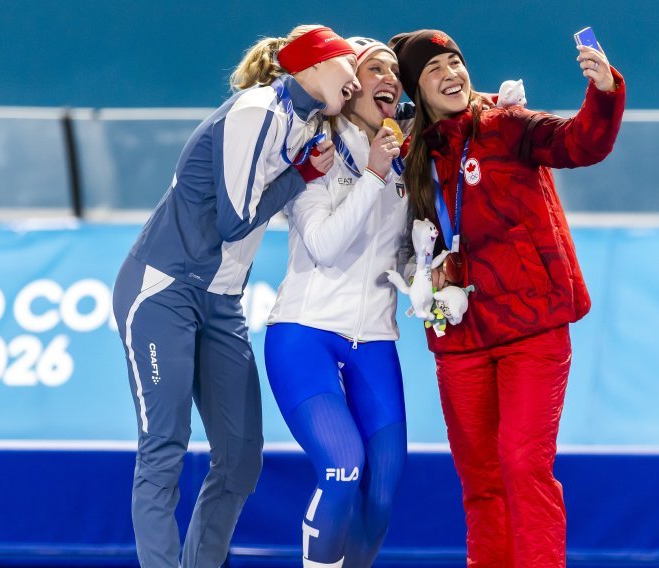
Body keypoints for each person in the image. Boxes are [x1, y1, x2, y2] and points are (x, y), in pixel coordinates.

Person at [111, 25, 360, 568]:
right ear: (316, 63)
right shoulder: (257, 111)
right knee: (164, 446)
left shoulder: (308, 121)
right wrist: (298, 176)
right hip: (164, 289)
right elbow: (234, 220)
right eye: (351, 64)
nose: (358, 80)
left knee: (242, 457)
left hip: (222, 301)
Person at [390, 29, 626, 567]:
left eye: (455, 61)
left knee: (523, 464)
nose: (451, 74)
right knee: (481, 479)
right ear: (417, 90)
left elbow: (579, 143)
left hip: (531, 327)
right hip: (460, 336)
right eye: (434, 69)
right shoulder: (409, 153)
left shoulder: (506, 124)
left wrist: (603, 92)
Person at [264, 37, 409, 568]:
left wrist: (426, 273)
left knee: (383, 491)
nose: (390, 79)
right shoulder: (315, 148)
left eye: (395, 71)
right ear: (349, 87)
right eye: (376, 69)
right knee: (343, 467)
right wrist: (373, 173)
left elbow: (398, 254)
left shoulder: (404, 162)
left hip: (375, 340)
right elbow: (325, 247)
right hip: (305, 333)